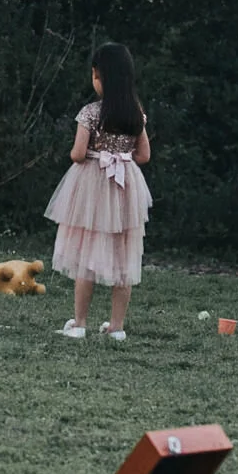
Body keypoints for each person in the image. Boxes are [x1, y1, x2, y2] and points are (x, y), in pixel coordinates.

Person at [48, 42, 152, 342]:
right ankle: (117, 328)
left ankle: (79, 323)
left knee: (86, 252)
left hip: (94, 185)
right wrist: (122, 156)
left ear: (99, 76)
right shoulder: (136, 114)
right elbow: (144, 155)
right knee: (124, 253)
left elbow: (78, 154)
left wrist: (96, 152)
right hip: (125, 188)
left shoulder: (91, 113)